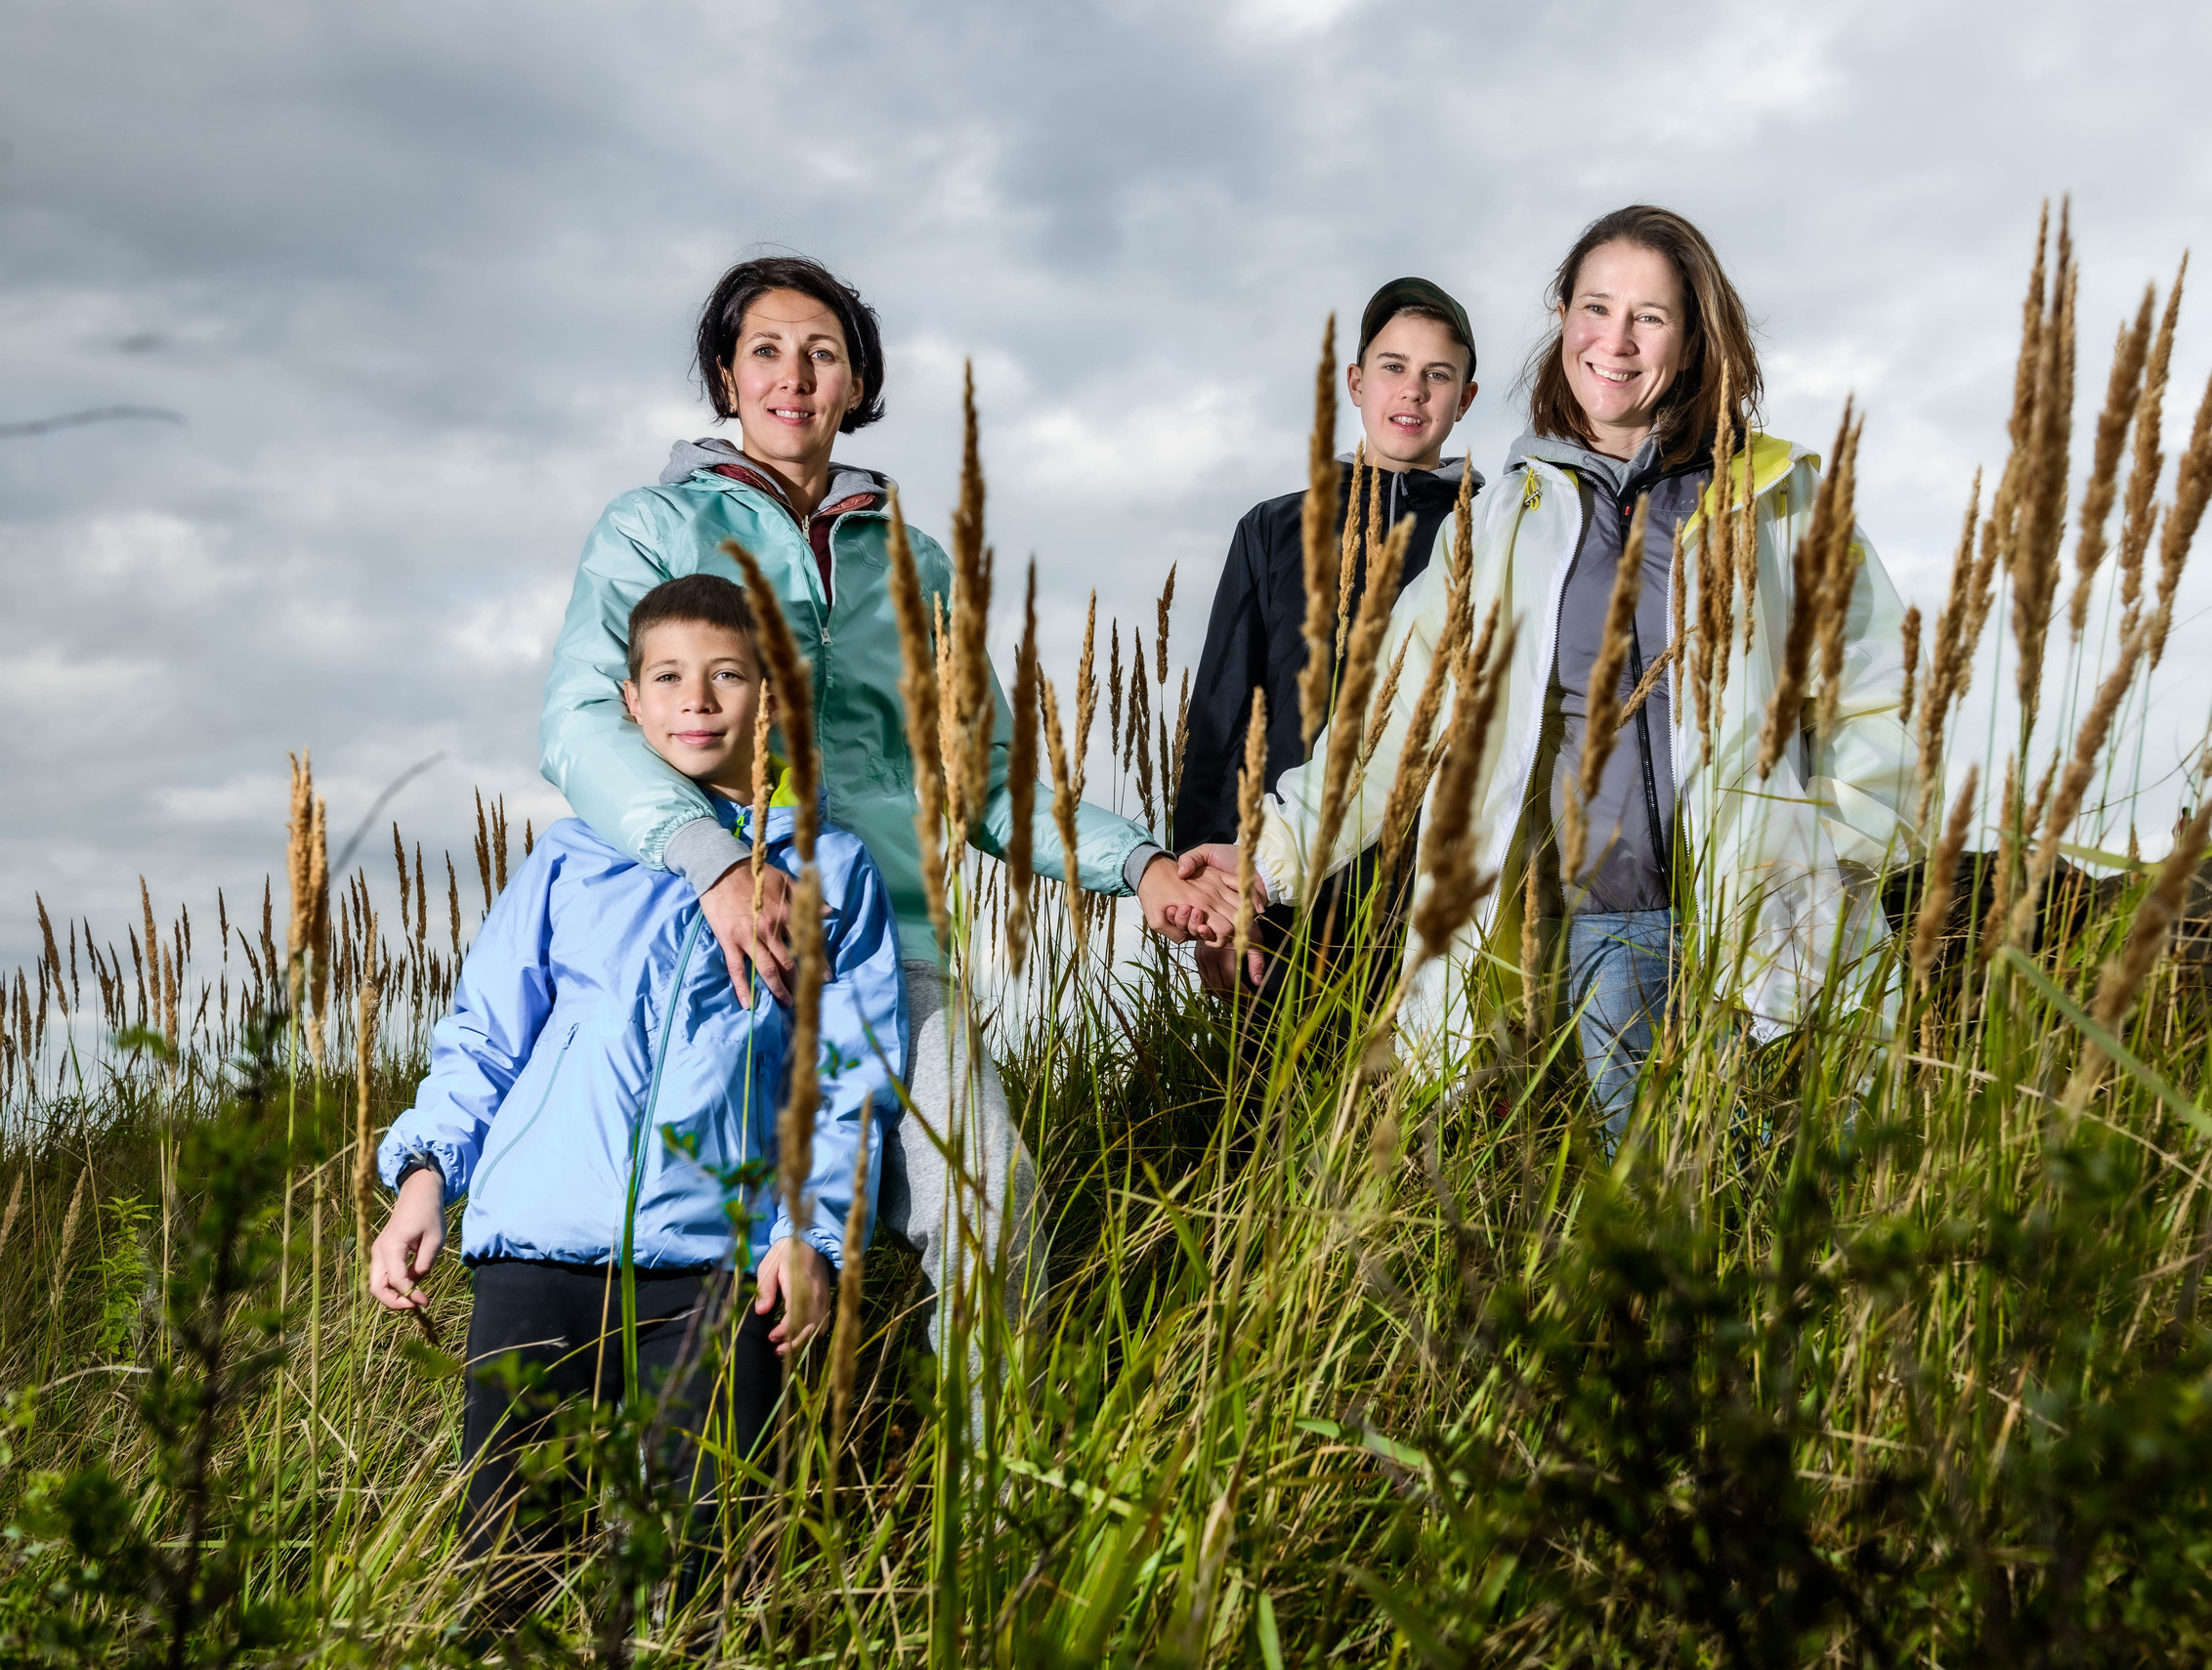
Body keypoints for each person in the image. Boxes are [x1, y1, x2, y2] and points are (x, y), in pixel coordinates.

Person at [539, 257, 1235, 1354]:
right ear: (725, 376)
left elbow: (986, 774)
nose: (794, 375)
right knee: (714, 1257)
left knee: (992, 1212)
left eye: (823, 352)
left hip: (894, 953)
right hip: (714, 945)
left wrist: (1141, 864)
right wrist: (711, 864)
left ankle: (996, 1498)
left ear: (858, 381)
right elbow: (579, 717)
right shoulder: (651, 528)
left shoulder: (910, 559)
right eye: (765, 349)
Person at [1182, 206, 1919, 1140]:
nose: (1616, 339)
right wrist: (1266, 858)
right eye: (1595, 306)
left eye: (1650, 316)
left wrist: (1830, 853)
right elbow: (1384, 726)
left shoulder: (1775, 497)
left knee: (1818, 1220)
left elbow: (1878, 685)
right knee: (1665, 1236)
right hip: (1613, 940)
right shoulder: (1502, 525)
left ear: (1693, 341)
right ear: (1563, 319)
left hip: (1775, 926)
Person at [368, 575, 906, 1595]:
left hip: (718, 1268)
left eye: (726, 675)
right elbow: (486, 1034)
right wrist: (426, 1174)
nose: (695, 699)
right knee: (512, 1565)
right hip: (539, 1257)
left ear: (775, 695)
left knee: (714, 1569)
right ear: (629, 701)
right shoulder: (571, 858)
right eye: (667, 676)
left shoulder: (831, 870)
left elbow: (852, 1077)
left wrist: (817, 1232)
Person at [1172, 277, 1481, 1007]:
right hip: (1286, 899)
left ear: (1466, 398)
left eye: (1439, 375)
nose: (1413, 391)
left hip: (1436, 894)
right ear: (1356, 381)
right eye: (1393, 367)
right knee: (1276, 1110)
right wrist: (1218, 913)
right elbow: (1221, 725)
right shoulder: (1277, 528)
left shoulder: (1488, 530)